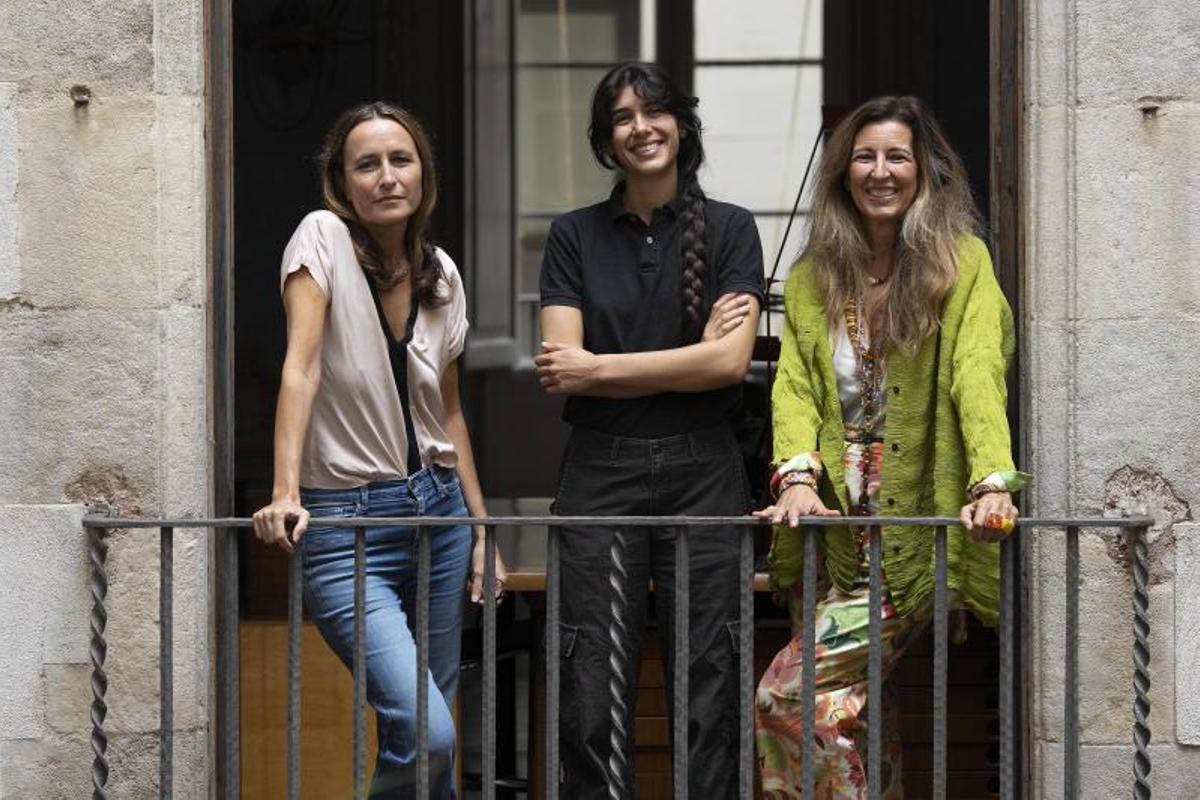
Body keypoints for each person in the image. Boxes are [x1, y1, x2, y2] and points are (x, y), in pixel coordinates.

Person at [753, 95, 1030, 799]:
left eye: (896, 156)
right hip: (829, 529)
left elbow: (976, 374)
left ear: (924, 170)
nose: (880, 171)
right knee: (855, 714)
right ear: (844, 172)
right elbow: (796, 388)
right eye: (865, 157)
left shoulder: (961, 263)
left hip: (909, 531)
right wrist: (796, 479)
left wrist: (991, 479)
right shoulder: (816, 275)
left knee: (786, 698)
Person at [251, 101, 506, 799]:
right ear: (343, 180)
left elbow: (449, 412)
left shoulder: (441, 274)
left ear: (424, 172)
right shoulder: (321, 239)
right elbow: (299, 368)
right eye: (367, 164)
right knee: (430, 732)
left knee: (428, 739)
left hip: (440, 516)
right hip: (346, 526)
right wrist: (284, 491)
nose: (387, 176)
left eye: (401, 160)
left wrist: (482, 530)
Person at [536, 61, 764, 799]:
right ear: (606, 139)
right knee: (591, 677)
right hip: (601, 470)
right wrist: (684, 357)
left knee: (713, 673)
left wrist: (601, 368)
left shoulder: (730, 228)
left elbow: (728, 364)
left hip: (707, 467)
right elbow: (558, 367)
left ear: (683, 124)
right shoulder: (572, 236)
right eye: (624, 117)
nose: (642, 127)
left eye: (655, 112)